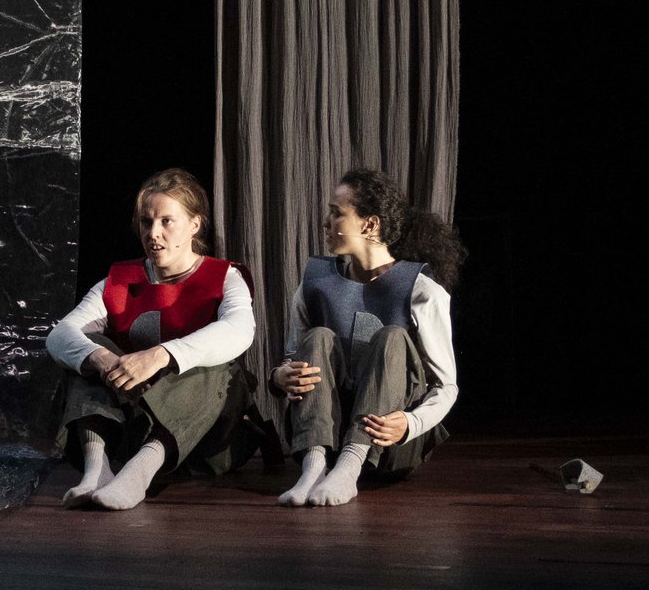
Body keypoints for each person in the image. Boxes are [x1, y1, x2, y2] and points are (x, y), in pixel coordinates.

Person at [44, 168, 258, 511]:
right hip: (131, 427)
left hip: (200, 439)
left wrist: (160, 355)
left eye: (166, 221)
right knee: (88, 349)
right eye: (146, 222)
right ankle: (97, 468)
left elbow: (239, 330)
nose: (153, 233)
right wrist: (100, 359)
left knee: (221, 368)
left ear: (195, 225)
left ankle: (140, 472)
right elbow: (60, 335)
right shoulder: (118, 281)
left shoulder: (225, 278)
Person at [272, 168, 463, 507]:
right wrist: (280, 375)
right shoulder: (315, 282)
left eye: (337, 213)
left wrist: (410, 422)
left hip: (387, 443)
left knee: (391, 337)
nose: (326, 222)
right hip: (327, 433)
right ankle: (314, 466)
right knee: (317, 336)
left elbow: (446, 386)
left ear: (370, 224)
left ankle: (350, 465)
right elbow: (292, 355)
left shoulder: (422, 290)